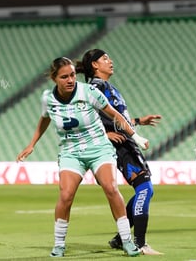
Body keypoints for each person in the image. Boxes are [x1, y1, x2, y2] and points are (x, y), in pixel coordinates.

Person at [16, 57, 148, 257]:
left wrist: (136, 137)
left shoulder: (89, 91)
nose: (70, 80)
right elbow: (44, 119)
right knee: (66, 195)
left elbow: (115, 115)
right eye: (64, 77)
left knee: (111, 188)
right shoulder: (48, 98)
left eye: (72, 75)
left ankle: (127, 242)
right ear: (54, 78)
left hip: (99, 148)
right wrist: (31, 144)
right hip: (71, 151)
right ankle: (59, 244)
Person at [75, 49, 163, 255]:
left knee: (145, 189)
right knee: (145, 189)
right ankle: (139, 244)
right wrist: (105, 135)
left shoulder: (107, 87)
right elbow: (81, 117)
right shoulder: (96, 86)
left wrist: (139, 121)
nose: (110, 61)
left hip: (125, 142)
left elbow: (115, 120)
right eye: (105, 58)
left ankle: (118, 239)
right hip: (121, 146)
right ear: (95, 65)